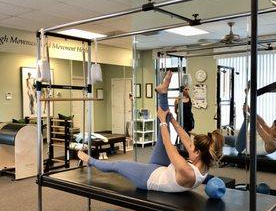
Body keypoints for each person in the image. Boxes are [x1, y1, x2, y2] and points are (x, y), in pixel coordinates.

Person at [78, 71, 223, 193]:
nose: (188, 146)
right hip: (163, 169)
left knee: (118, 165)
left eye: (191, 147)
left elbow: (168, 144)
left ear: (197, 153)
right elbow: (184, 136)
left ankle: (90, 160)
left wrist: (163, 121)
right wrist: (172, 121)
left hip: (148, 179)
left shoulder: (187, 171)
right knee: (164, 129)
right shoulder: (205, 164)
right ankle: (162, 92)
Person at [225, 86, 276, 155]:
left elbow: (258, 127)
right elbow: (263, 123)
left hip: (242, 147)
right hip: (245, 141)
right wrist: (249, 110)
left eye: (272, 126)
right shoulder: (272, 133)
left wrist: (249, 112)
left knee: (247, 119)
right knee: (221, 138)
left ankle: (246, 100)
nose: (270, 127)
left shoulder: (274, 144)